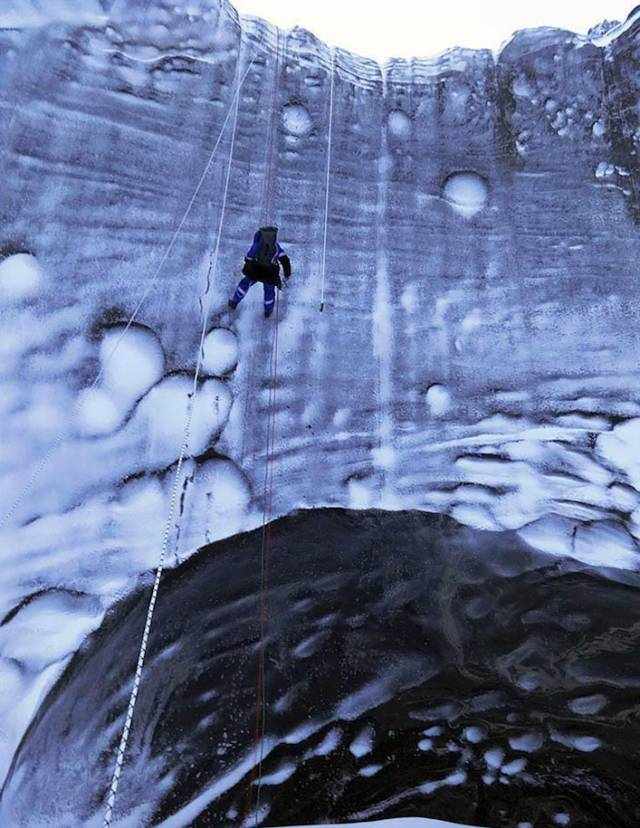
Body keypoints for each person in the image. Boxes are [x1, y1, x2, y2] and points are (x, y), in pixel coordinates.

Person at [228, 226, 292, 318]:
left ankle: (234, 302)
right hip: (270, 273)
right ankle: (268, 311)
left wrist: (247, 264)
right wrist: (287, 274)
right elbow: (285, 260)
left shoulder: (258, 242)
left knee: (245, 284)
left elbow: (250, 255)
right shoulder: (276, 247)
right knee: (269, 291)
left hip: (255, 270)